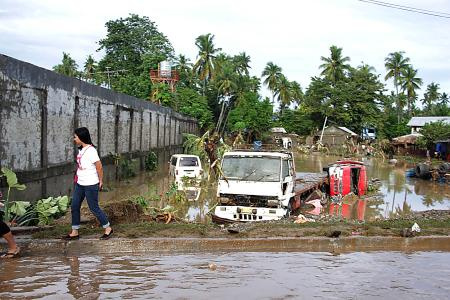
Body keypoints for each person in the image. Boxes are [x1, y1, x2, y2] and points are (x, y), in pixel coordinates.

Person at [63, 127, 113, 240]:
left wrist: (100, 181)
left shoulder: (91, 151)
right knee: (75, 206)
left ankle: (108, 228)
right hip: (80, 184)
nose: (74, 139)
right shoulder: (81, 149)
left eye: (75, 137)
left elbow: (99, 167)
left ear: (81, 137)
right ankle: (75, 231)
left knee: (94, 207)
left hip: (91, 184)